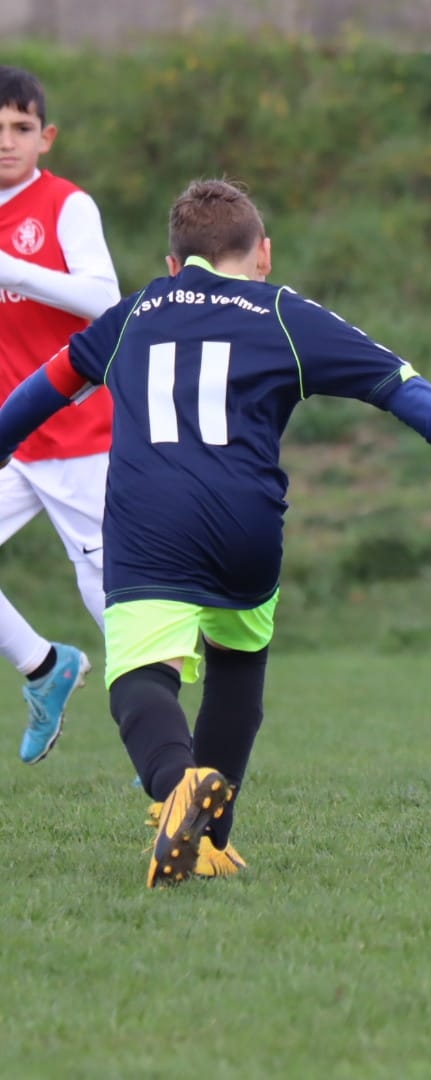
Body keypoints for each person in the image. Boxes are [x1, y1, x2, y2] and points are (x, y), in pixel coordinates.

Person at [0, 178, 431, 887]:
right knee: (237, 666)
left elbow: (41, 391)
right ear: (264, 255)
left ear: (172, 264)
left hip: (149, 520)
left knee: (140, 676)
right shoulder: (285, 313)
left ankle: (176, 787)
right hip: (246, 528)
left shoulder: (132, 314)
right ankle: (209, 842)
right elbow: (399, 383)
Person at [0, 65, 121, 764]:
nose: (7, 141)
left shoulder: (67, 206)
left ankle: (173, 751)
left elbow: (105, 300)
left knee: (112, 604)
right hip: (14, 441)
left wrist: (13, 269)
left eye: (21, 128)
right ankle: (45, 667)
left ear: (45, 137)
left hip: (81, 439)